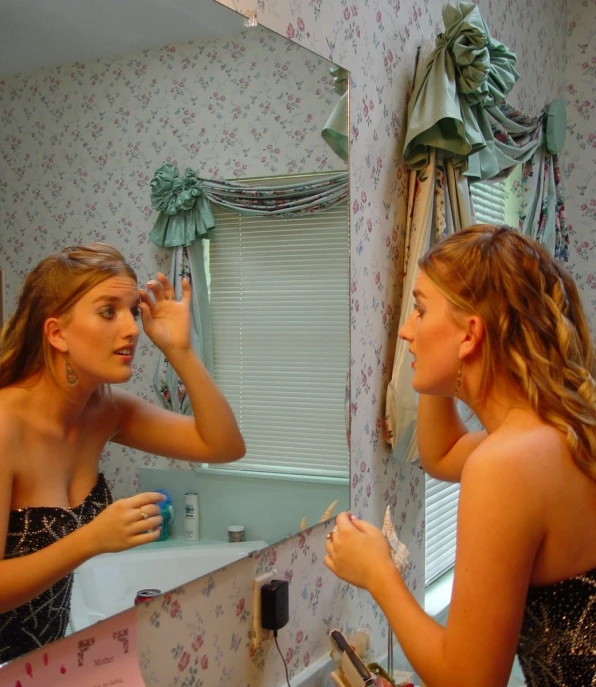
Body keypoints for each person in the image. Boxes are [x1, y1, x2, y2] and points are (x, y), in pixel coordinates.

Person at [325, 225, 596, 687]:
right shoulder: (560, 430)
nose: (407, 331)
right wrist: (438, 372)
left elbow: (472, 681)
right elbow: (444, 452)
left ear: (470, 335)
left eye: (420, 309)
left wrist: (378, 574)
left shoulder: (507, 464)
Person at [0, 243, 245, 664]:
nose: (132, 329)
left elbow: (223, 445)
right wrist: (91, 539)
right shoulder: (5, 428)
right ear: (57, 332)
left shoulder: (107, 412)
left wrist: (181, 352)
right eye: (108, 311)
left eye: (133, 310)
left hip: (39, 661)